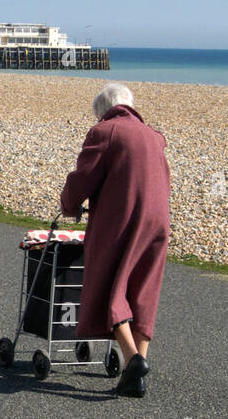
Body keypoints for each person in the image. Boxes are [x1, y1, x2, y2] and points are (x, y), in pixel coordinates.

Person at [60, 83, 171, 397]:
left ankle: (133, 359)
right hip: (158, 220)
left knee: (111, 284)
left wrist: (69, 205)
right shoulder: (154, 136)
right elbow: (164, 181)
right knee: (144, 288)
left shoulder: (105, 132)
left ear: (102, 112)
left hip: (122, 220)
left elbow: (83, 178)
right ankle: (133, 373)